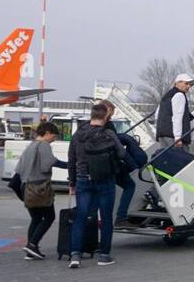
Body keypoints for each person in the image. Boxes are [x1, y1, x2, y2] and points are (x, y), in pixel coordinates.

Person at [66, 102, 128, 268]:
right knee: (106, 217)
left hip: (82, 179)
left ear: (92, 115)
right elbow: (122, 153)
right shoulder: (108, 133)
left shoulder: (78, 134)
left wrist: (72, 182)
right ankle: (104, 255)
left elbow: (71, 159)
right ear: (105, 116)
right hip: (105, 179)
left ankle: (75, 255)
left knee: (81, 216)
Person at [14, 121, 66, 260]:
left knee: (36, 218)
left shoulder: (29, 146)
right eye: (53, 137)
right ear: (47, 133)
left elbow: (18, 170)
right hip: (39, 188)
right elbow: (48, 164)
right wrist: (68, 165)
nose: (54, 140)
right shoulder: (44, 145)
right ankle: (32, 244)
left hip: (26, 187)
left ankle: (31, 250)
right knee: (50, 217)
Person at [102, 101, 146, 227]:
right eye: (112, 111)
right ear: (107, 110)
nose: (112, 114)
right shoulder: (108, 126)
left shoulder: (87, 127)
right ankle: (120, 218)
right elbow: (120, 150)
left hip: (94, 168)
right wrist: (134, 166)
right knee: (129, 186)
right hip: (111, 165)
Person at [155, 73, 194, 150]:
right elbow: (177, 117)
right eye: (186, 83)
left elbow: (157, 114)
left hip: (162, 134)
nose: (189, 86)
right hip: (173, 136)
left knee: (167, 159)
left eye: (190, 84)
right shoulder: (179, 95)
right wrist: (178, 137)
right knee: (182, 160)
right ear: (177, 83)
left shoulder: (167, 95)